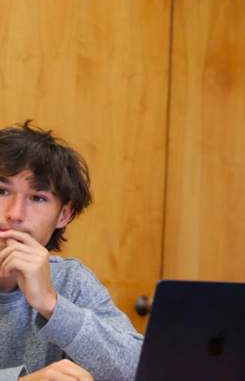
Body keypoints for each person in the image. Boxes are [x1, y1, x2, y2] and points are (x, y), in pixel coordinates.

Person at [0, 121, 142, 381]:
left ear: (63, 215)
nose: (14, 214)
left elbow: (139, 369)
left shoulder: (71, 280)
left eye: (38, 198)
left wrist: (52, 304)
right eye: (1, 191)